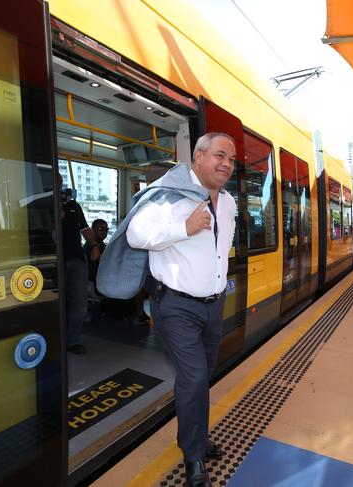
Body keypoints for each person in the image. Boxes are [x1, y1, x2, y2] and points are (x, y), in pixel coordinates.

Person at [125, 133, 236, 487]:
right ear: (199, 156)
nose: (227, 164)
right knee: (193, 379)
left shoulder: (229, 203)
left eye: (231, 160)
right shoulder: (168, 196)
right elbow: (135, 235)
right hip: (176, 306)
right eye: (220, 155)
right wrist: (183, 228)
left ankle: (197, 440)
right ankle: (193, 457)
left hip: (214, 305)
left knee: (205, 374)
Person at [60, 177, 99, 354]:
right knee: (57, 302)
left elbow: (84, 229)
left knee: (79, 302)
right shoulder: (42, 204)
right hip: (54, 260)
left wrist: (94, 246)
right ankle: (56, 338)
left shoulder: (74, 206)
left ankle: (72, 340)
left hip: (75, 259)